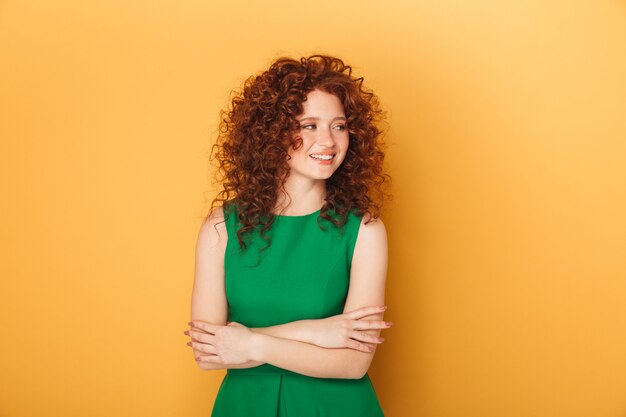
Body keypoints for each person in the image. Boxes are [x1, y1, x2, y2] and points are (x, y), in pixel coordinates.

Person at [184, 54, 393, 417]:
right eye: (309, 125)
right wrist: (314, 332)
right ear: (272, 133)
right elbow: (210, 352)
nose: (328, 140)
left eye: (339, 126)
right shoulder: (221, 227)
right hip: (245, 407)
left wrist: (253, 344)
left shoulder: (365, 230)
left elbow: (354, 363)